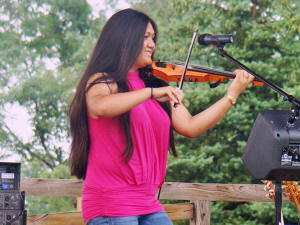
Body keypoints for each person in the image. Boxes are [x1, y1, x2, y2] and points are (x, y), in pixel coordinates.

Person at [68, 8, 254, 225]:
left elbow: (190, 126)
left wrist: (230, 96)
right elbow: (99, 107)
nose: (152, 45)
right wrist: (151, 93)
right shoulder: (103, 80)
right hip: (112, 203)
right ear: (124, 39)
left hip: (148, 202)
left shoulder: (154, 83)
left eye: (153, 38)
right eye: (145, 37)